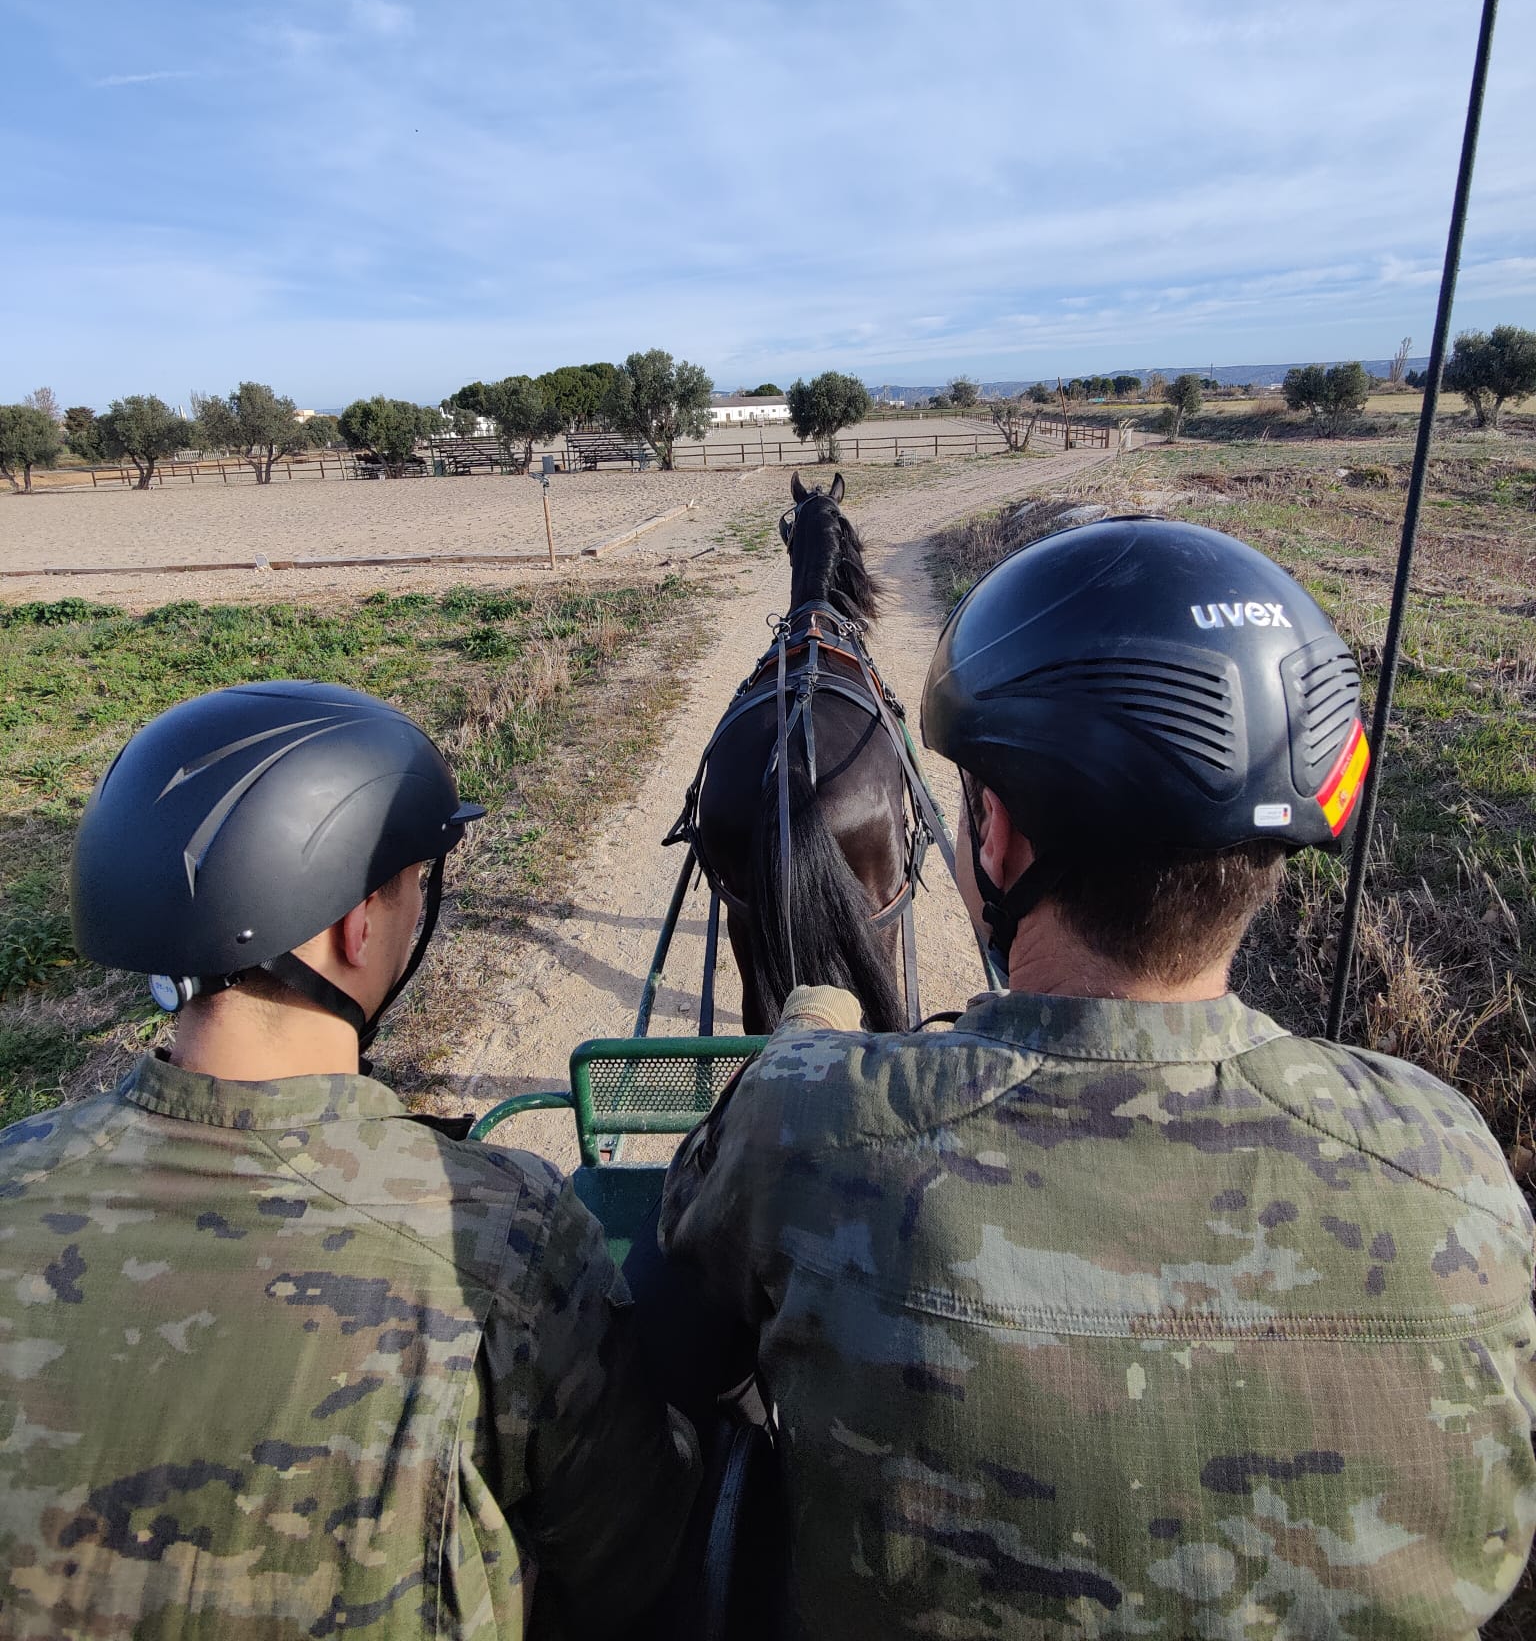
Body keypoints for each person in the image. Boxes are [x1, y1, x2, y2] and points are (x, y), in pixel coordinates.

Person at [658, 517, 1536, 1638]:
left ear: (1003, 838)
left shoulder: (816, 1121)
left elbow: (681, 1312)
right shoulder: (1448, 1154)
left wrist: (819, 1017)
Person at [0, 680, 698, 1640]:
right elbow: (636, 1559)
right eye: (415, 883)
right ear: (356, 926)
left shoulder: (14, 1177)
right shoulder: (505, 1241)